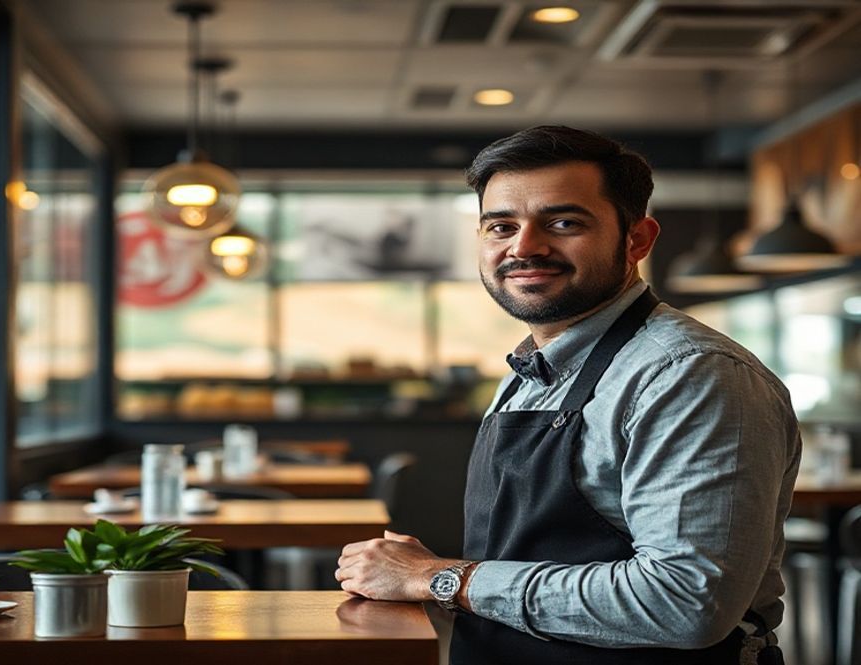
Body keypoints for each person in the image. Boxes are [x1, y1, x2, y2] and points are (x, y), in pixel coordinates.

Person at [335, 126, 800, 665]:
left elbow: (686, 603)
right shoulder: (529, 369)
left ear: (638, 240)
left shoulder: (690, 375)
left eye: (563, 223)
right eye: (500, 226)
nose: (524, 247)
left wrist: (439, 578)